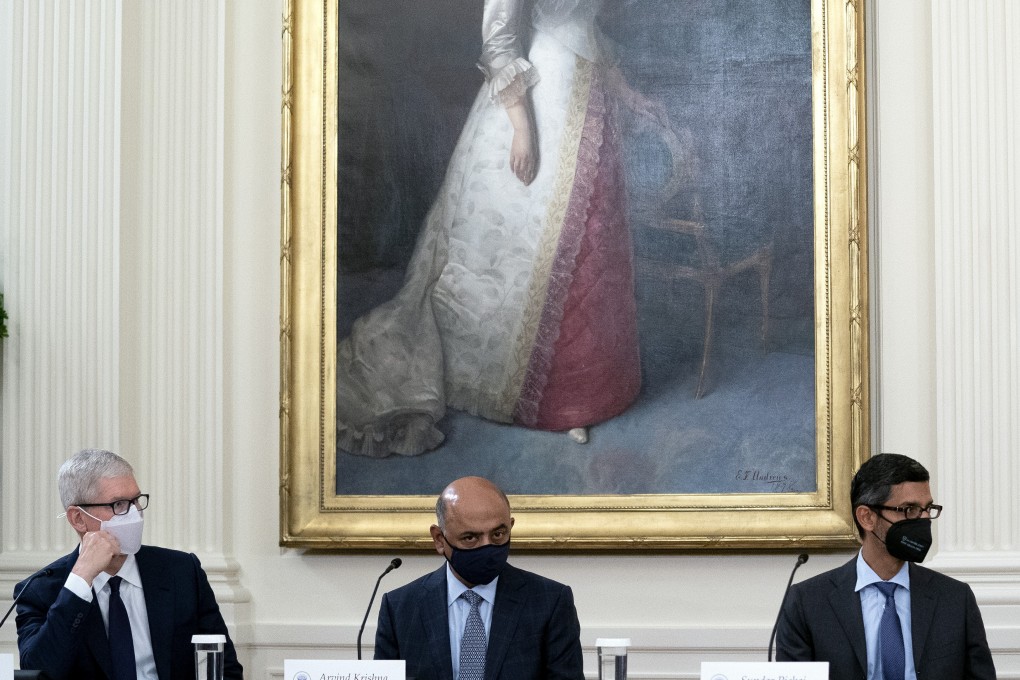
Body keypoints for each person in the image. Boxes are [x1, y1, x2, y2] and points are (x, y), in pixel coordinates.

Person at [337, 0, 665, 457]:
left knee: (593, 253)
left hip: (590, 102)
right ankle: (554, 403)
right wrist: (522, 127)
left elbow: (589, 32)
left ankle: (591, 395)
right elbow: (498, 40)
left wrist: (627, 94)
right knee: (536, 254)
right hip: (541, 103)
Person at [14, 449, 243, 680]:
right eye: (119, 504)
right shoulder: (41, 590)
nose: (134, 514)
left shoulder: (181, 571)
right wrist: (81, 578)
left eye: (136, 501)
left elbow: (225, 667)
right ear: (78, 518)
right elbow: (40, 671)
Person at [776, 453, 996, 679]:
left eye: (927, 508)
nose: (922, 520)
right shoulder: (806, 602)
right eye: (909, 509)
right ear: (867, 517)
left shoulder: (956, 599)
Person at [374, 476, 584, 679]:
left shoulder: (550, 602)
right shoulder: (400, 608)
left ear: (510, 526)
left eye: (498, 534)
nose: (487, 546)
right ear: (439, 539)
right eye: (471, 537)